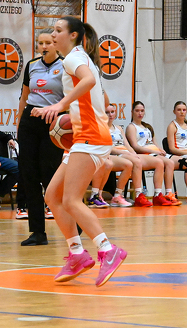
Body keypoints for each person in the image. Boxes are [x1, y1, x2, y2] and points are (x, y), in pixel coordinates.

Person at [32, 16, 126, 287]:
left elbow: (88, 81)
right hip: (84, 136)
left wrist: (58, 105)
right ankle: (77, 254)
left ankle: (108, 249)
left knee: (71, 200)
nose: (53, 34)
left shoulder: (74, 58)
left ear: (73, 35)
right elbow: (90, 97)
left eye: (58, 30)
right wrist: (61, 110)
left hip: (91, 136)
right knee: (53, 196)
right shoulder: (77, 58)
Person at [16, 32, 65, 245]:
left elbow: (70, 98)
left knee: (50, 175)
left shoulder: (66, 66)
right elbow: (24, 97)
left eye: (48, 43)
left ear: (56, 45)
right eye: (40, 43)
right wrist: (19, 123)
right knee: (29, 176)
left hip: (53, 121)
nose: (44, 46)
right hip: (30, 119)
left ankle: (74, 222)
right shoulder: (31, 65)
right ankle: (37, 232)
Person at [91, 103, 157, 208]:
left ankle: (119, 196)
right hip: (112, 153)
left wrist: (133, 153)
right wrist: (123, 153)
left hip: (124, 153)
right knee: (130, 163)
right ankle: (136, 194)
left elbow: (127, 145)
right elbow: (106, 146)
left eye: (112, 112)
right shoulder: (101, 127)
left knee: (133, 162)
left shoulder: (118, 128)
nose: (110, 115)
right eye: (107, 112)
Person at [125, 101, 181, 206]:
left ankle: (168, 193)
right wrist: (153, 151)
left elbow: (154, 143)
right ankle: (157, 194)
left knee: (177, 162)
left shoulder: (147, 127)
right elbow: (135, 146)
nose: (140, 113)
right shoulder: (131, 127)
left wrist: (160, 150)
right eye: (137, 111)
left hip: (154, 152)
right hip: (145, 154)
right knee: (164, 162)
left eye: (142, 111)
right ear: (132, 112)